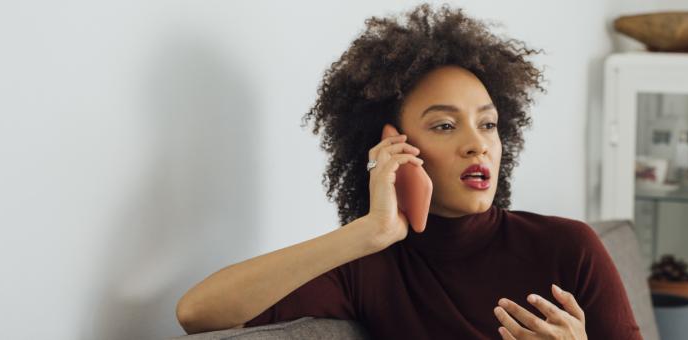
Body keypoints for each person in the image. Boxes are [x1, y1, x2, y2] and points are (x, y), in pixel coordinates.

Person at [175, 4, 641, 339]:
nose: (477, 143)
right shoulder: (369, 268)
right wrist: (371, 231)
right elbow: (198, 312)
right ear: (392, 144)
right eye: (444, 124)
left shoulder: (568, 248)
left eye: (488, 123)